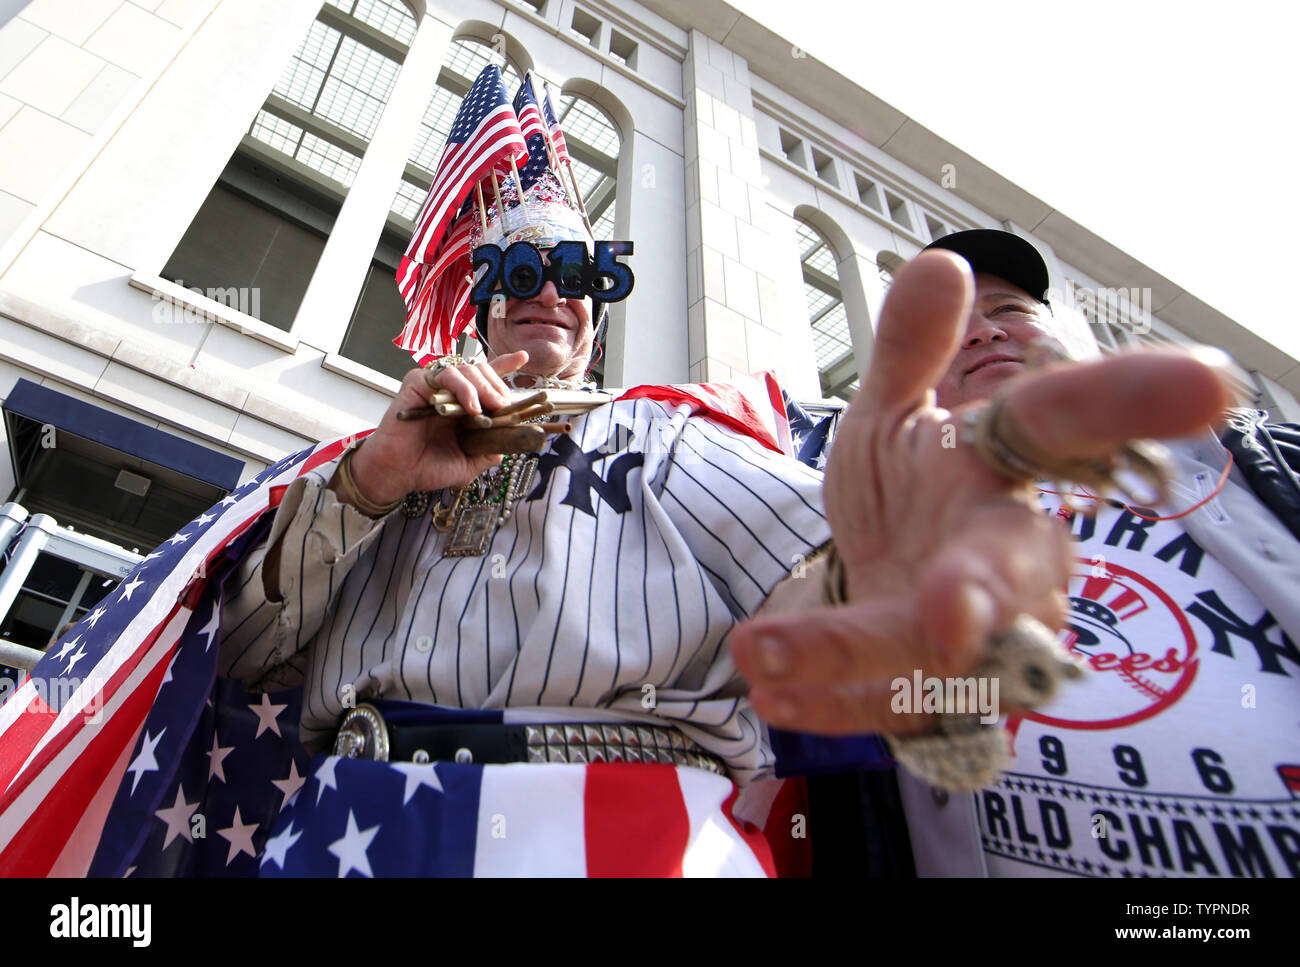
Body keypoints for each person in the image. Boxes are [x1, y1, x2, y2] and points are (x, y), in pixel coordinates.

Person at [0, 72, 1238, 876]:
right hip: (340, 828)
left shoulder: (666, 438)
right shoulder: (358, 460)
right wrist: (373, 485)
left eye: (578, 280)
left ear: (597, 314)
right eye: (516, 277)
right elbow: (254, 658)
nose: (547, 295)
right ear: (473, 307)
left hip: (615, 831)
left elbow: (833, 574)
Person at [878, 229, 1300, 878]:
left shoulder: (1260, 464)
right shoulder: (871, 524)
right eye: (945, 330)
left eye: (1009, 310)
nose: (983, 333)